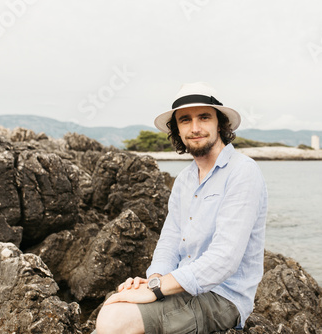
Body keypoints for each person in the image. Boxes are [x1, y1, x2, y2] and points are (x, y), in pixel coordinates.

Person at [95, 82, 268, 334]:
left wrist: (156, 289)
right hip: (180, 287)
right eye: (185, 120)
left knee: (113, 321)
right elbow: (170, 241)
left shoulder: (243, 172)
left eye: (204, 117)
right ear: (177, 129)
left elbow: (225, 259)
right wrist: (153, 279)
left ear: (219, 123)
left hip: (222, 297)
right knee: (112, 307)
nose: (195, 128)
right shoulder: (185, 180)